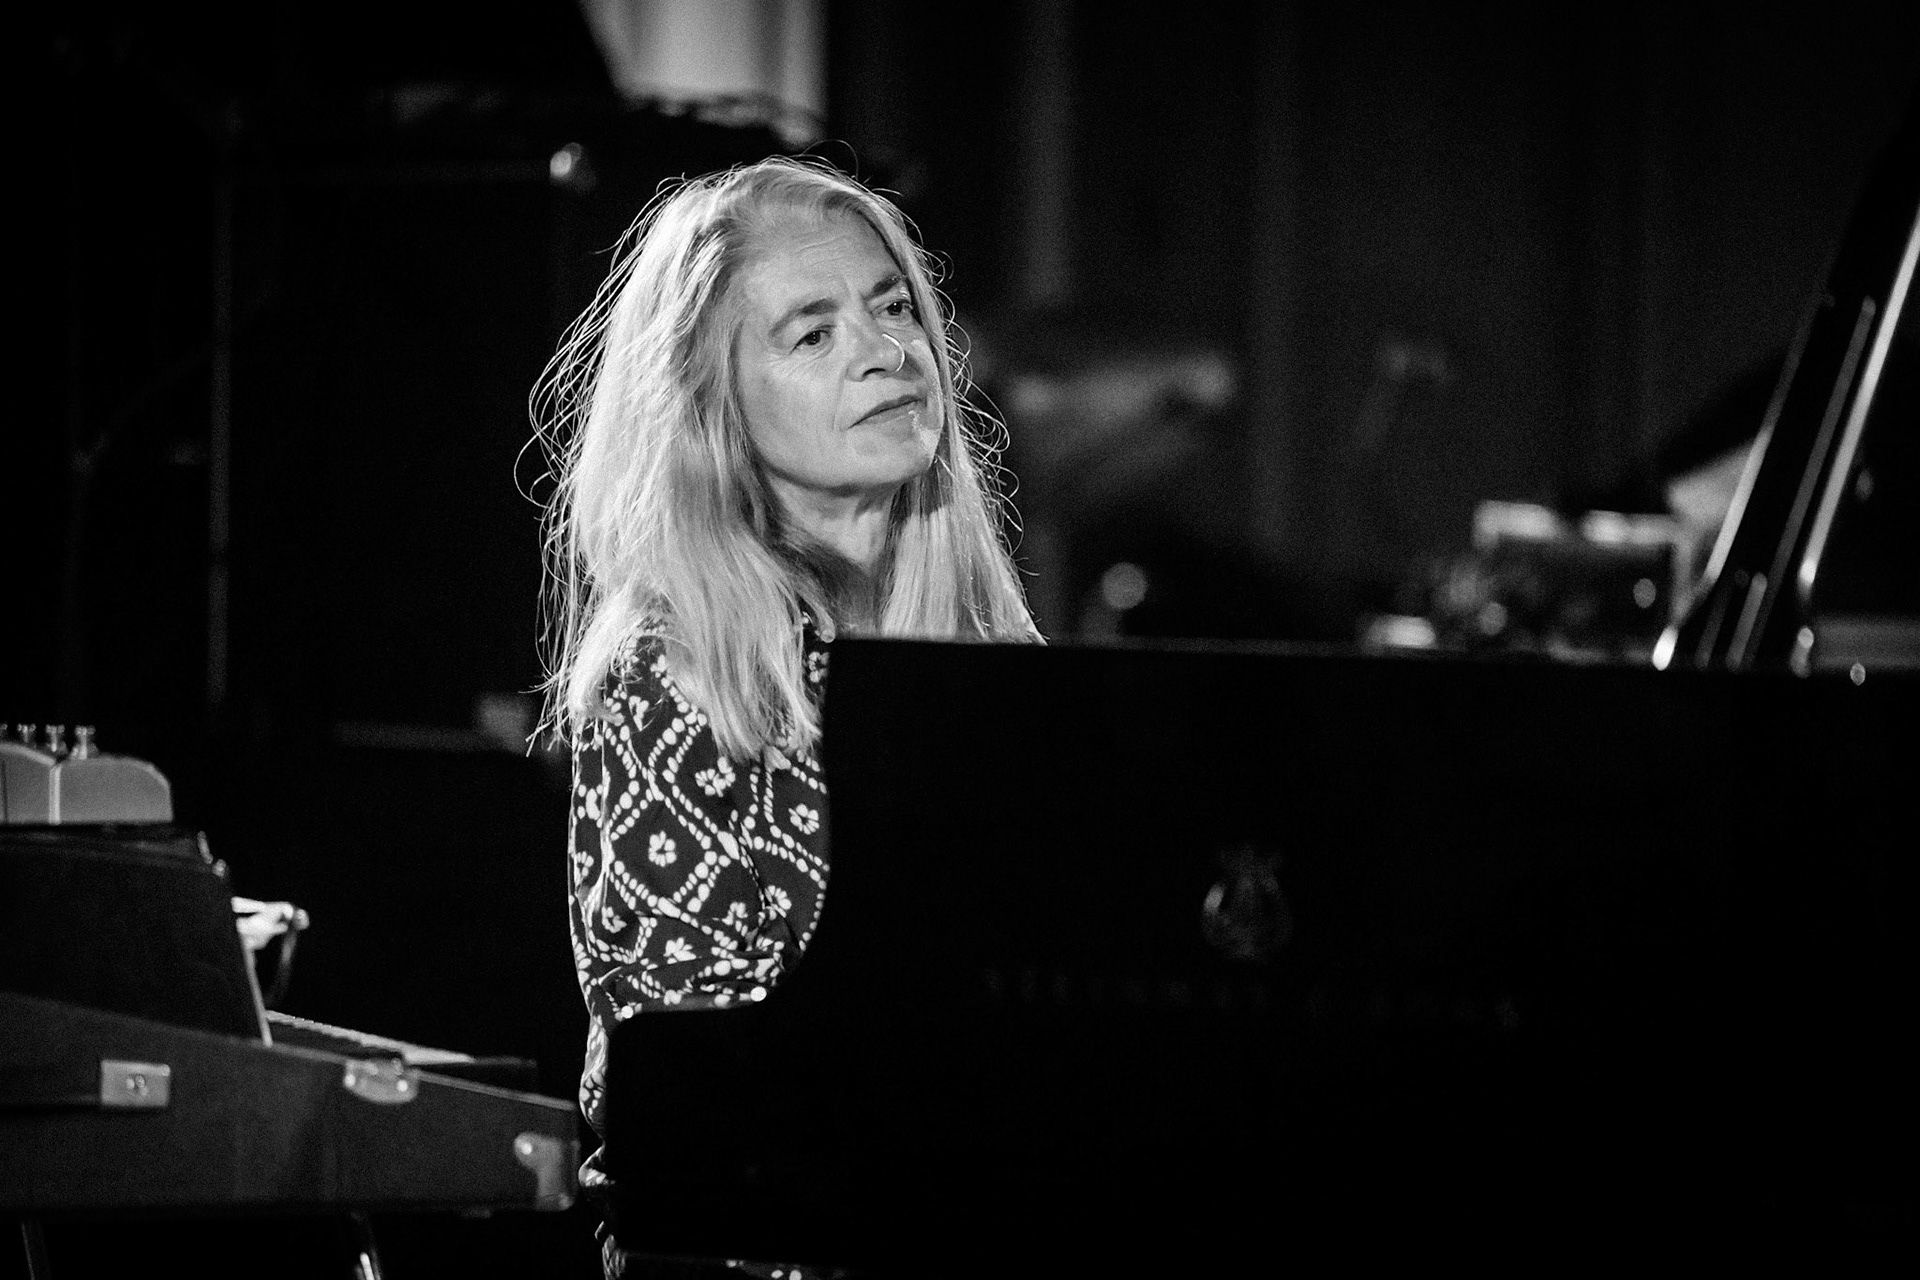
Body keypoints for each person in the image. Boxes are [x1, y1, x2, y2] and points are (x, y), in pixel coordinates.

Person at [530, 156, 1041, 1278]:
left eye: (894, 305)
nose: (886, 350)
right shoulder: (676, 670)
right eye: (813, 333)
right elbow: (699, 1106)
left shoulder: (991, 663)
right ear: (714, 408)